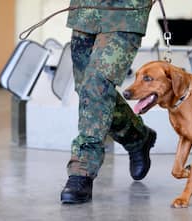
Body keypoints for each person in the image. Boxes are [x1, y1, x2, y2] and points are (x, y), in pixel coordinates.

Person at [60, 0, 157, 204]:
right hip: (84, 12)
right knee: (87, 90)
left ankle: (82, 170)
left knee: (96, 85)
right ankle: (136, 136)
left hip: (126, 11)